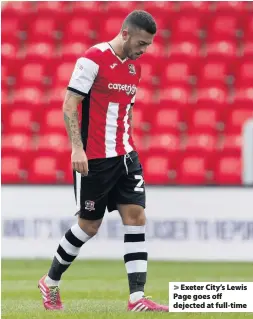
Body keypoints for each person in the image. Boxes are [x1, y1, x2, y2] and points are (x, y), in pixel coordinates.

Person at [38, 10, 168, 312]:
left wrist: (129, 141)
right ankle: (50, 281)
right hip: (95, 158)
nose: (144, 50)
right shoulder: (92, 59)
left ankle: (137, 298)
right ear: (125, 33)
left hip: (126, 156)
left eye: (148, 45)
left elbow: (127, 109)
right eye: (141, 43)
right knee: (88, 226)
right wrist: (76, 148)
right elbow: (70, 104)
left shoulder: (135, 70)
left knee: (136, 217)